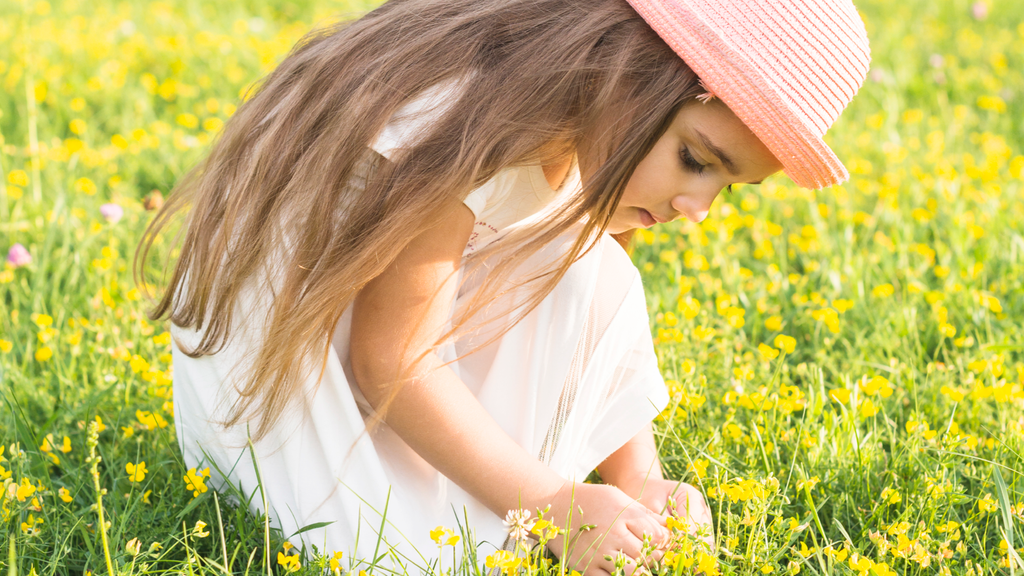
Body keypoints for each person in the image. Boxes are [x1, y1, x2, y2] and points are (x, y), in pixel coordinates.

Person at [139, 0, 870, 572]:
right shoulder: (468, 112)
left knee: (599, 268)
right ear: (630, 69)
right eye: (695, 159)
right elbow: (389, 358)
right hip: (283, 391)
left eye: (729, 186)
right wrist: (552, 504)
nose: (697, 210)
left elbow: (594, 304)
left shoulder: (590, 127)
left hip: (363, 351)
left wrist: (636, 476)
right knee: (418, 553)